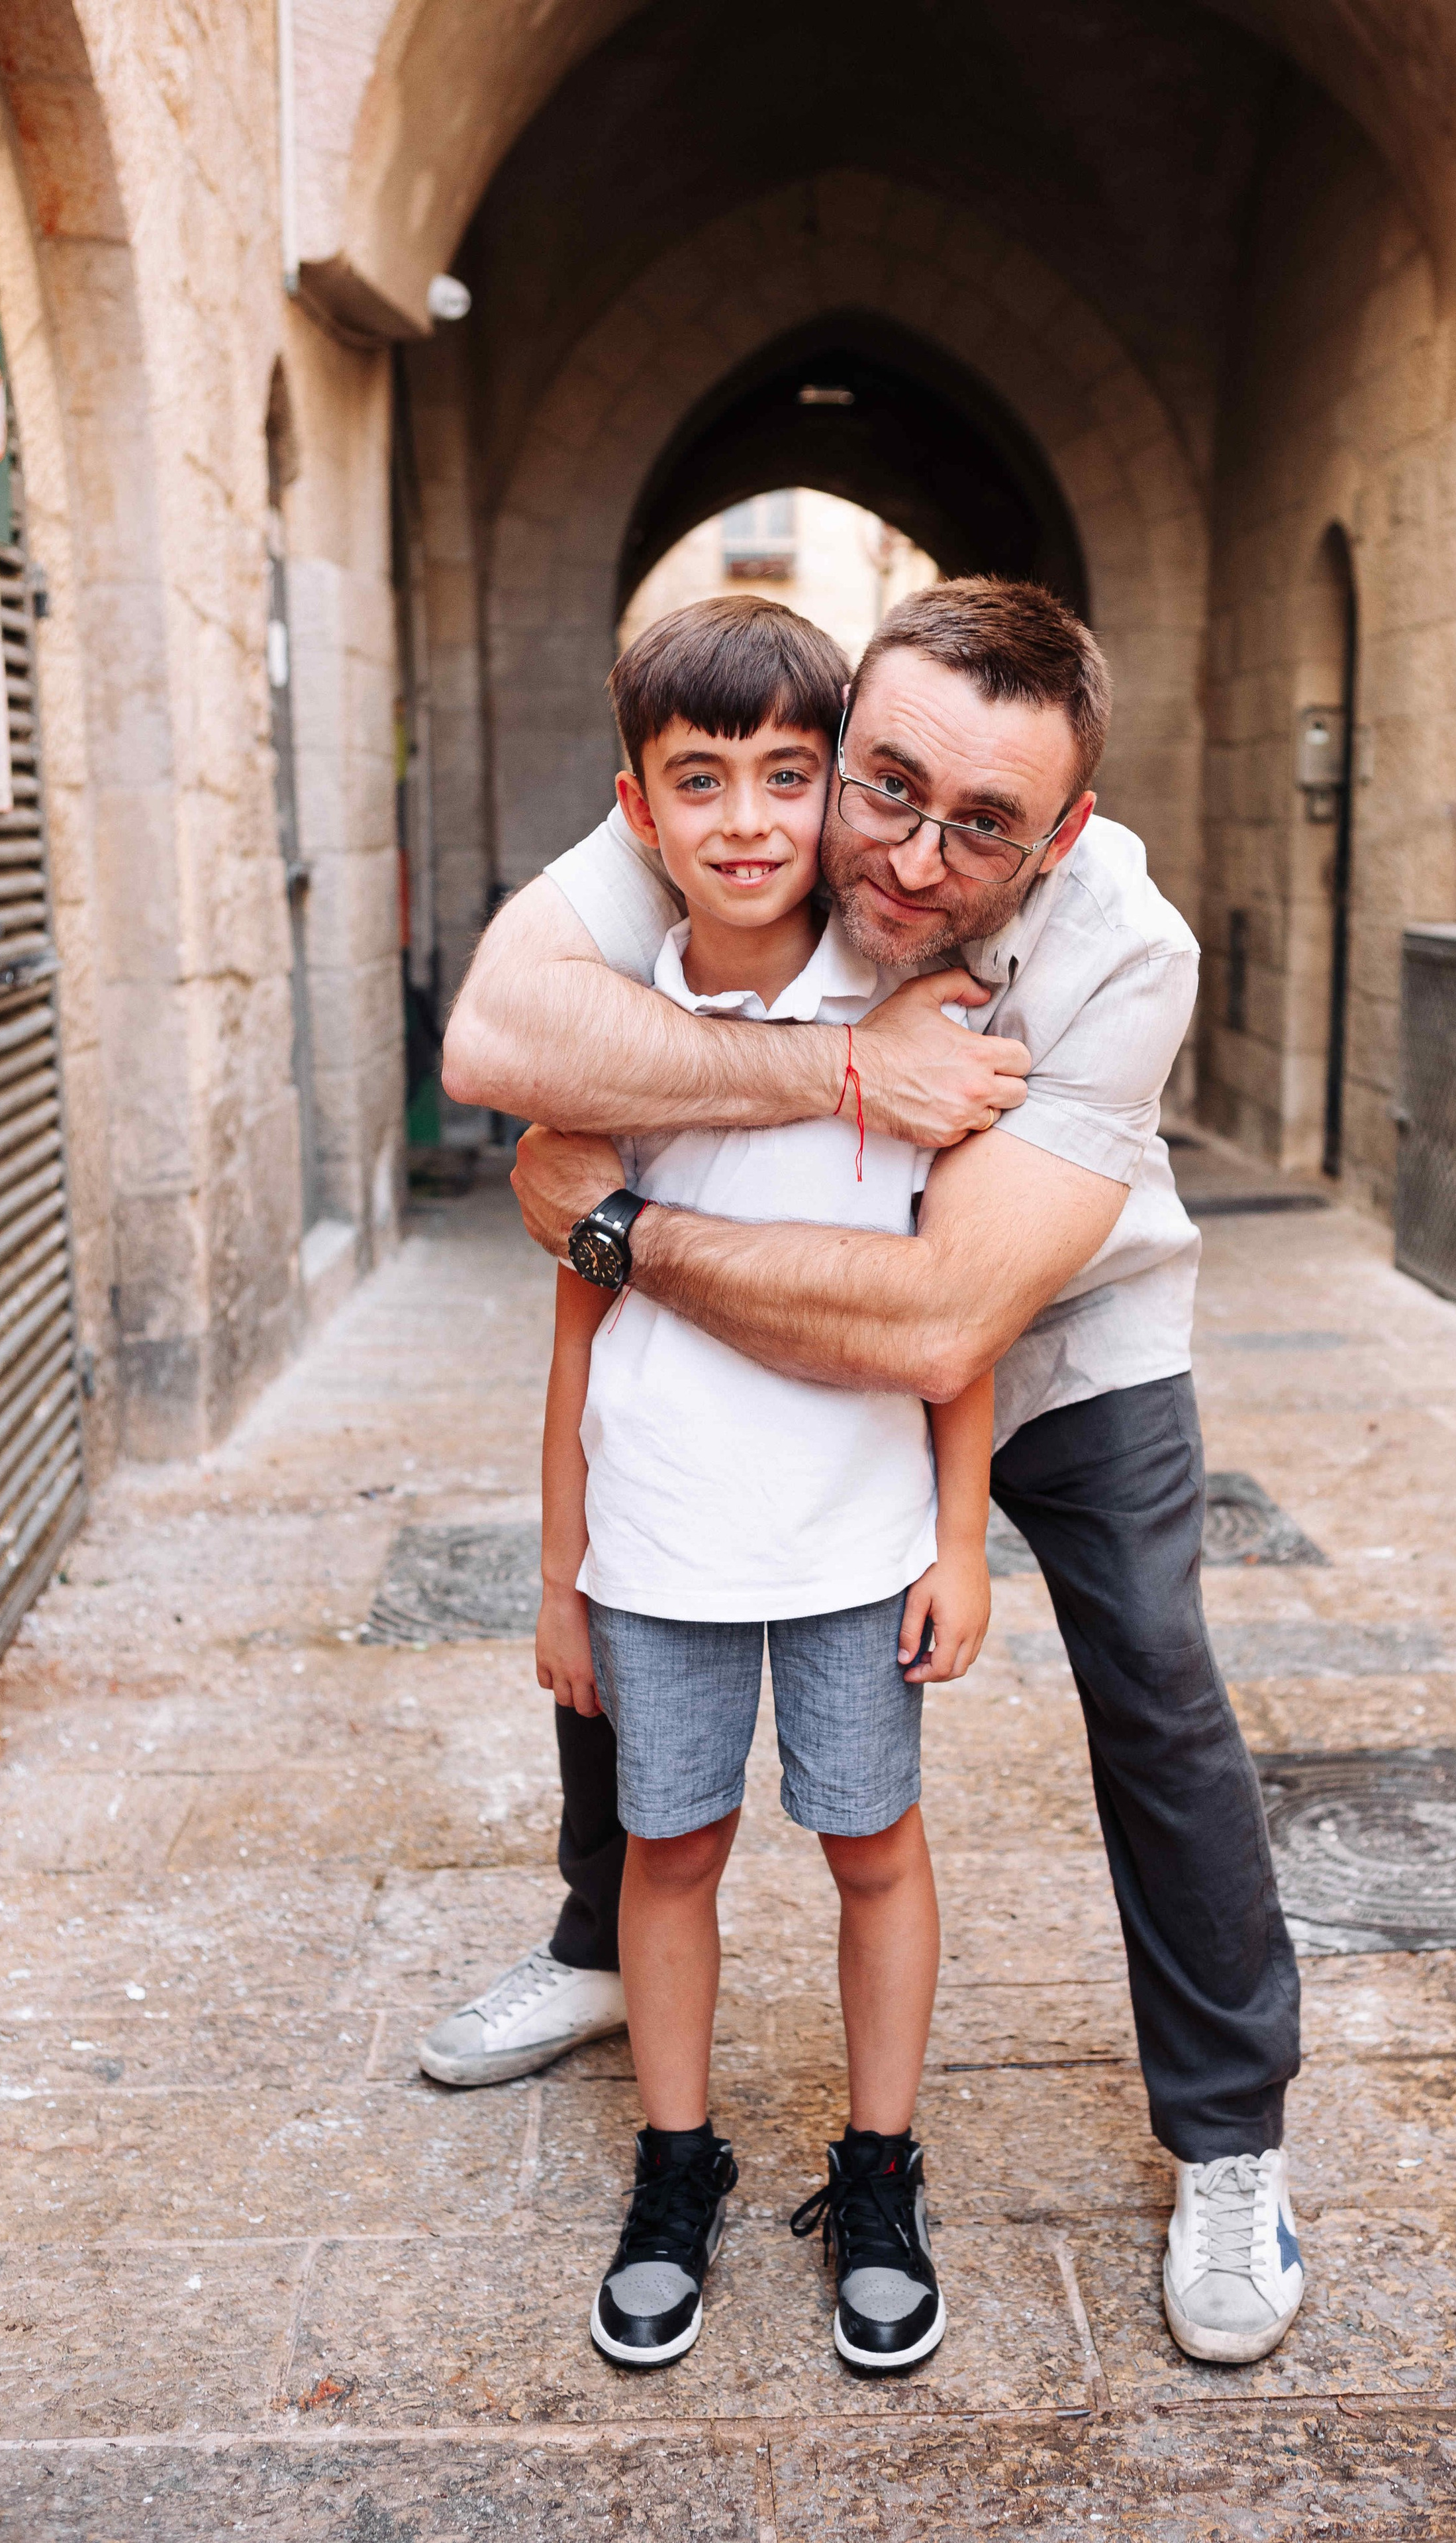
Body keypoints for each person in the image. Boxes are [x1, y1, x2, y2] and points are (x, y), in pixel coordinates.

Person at [434, 577, 1306, 2367]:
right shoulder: (761, 791)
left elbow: (937, 1329)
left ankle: (1229, 2133)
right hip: (763, 1287)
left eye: (979, 825)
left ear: (1060, 833)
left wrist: (616, 1231)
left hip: (1043, 1328)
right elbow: (497, 1042)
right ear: (846, 745)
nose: (906, 857)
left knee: (1150, 1668)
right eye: (884, 789)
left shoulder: (1124, 945)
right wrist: (834, 1068)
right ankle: (610, 1949)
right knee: (648, 1582)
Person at [534, 597, 993, 2370]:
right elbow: (579, 1314)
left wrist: (959, 1537)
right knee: (675, 1846)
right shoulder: (606, 1033)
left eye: (787, 777)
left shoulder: (914, 1015)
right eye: (698, 779)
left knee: (872, 1843)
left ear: (837, 797)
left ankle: (879, 2171)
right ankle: (675, 2167)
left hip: (862, 1535)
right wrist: (561, 1565)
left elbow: (954, 1311)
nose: (744, 820)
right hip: (658, 1541)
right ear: (638, 808)